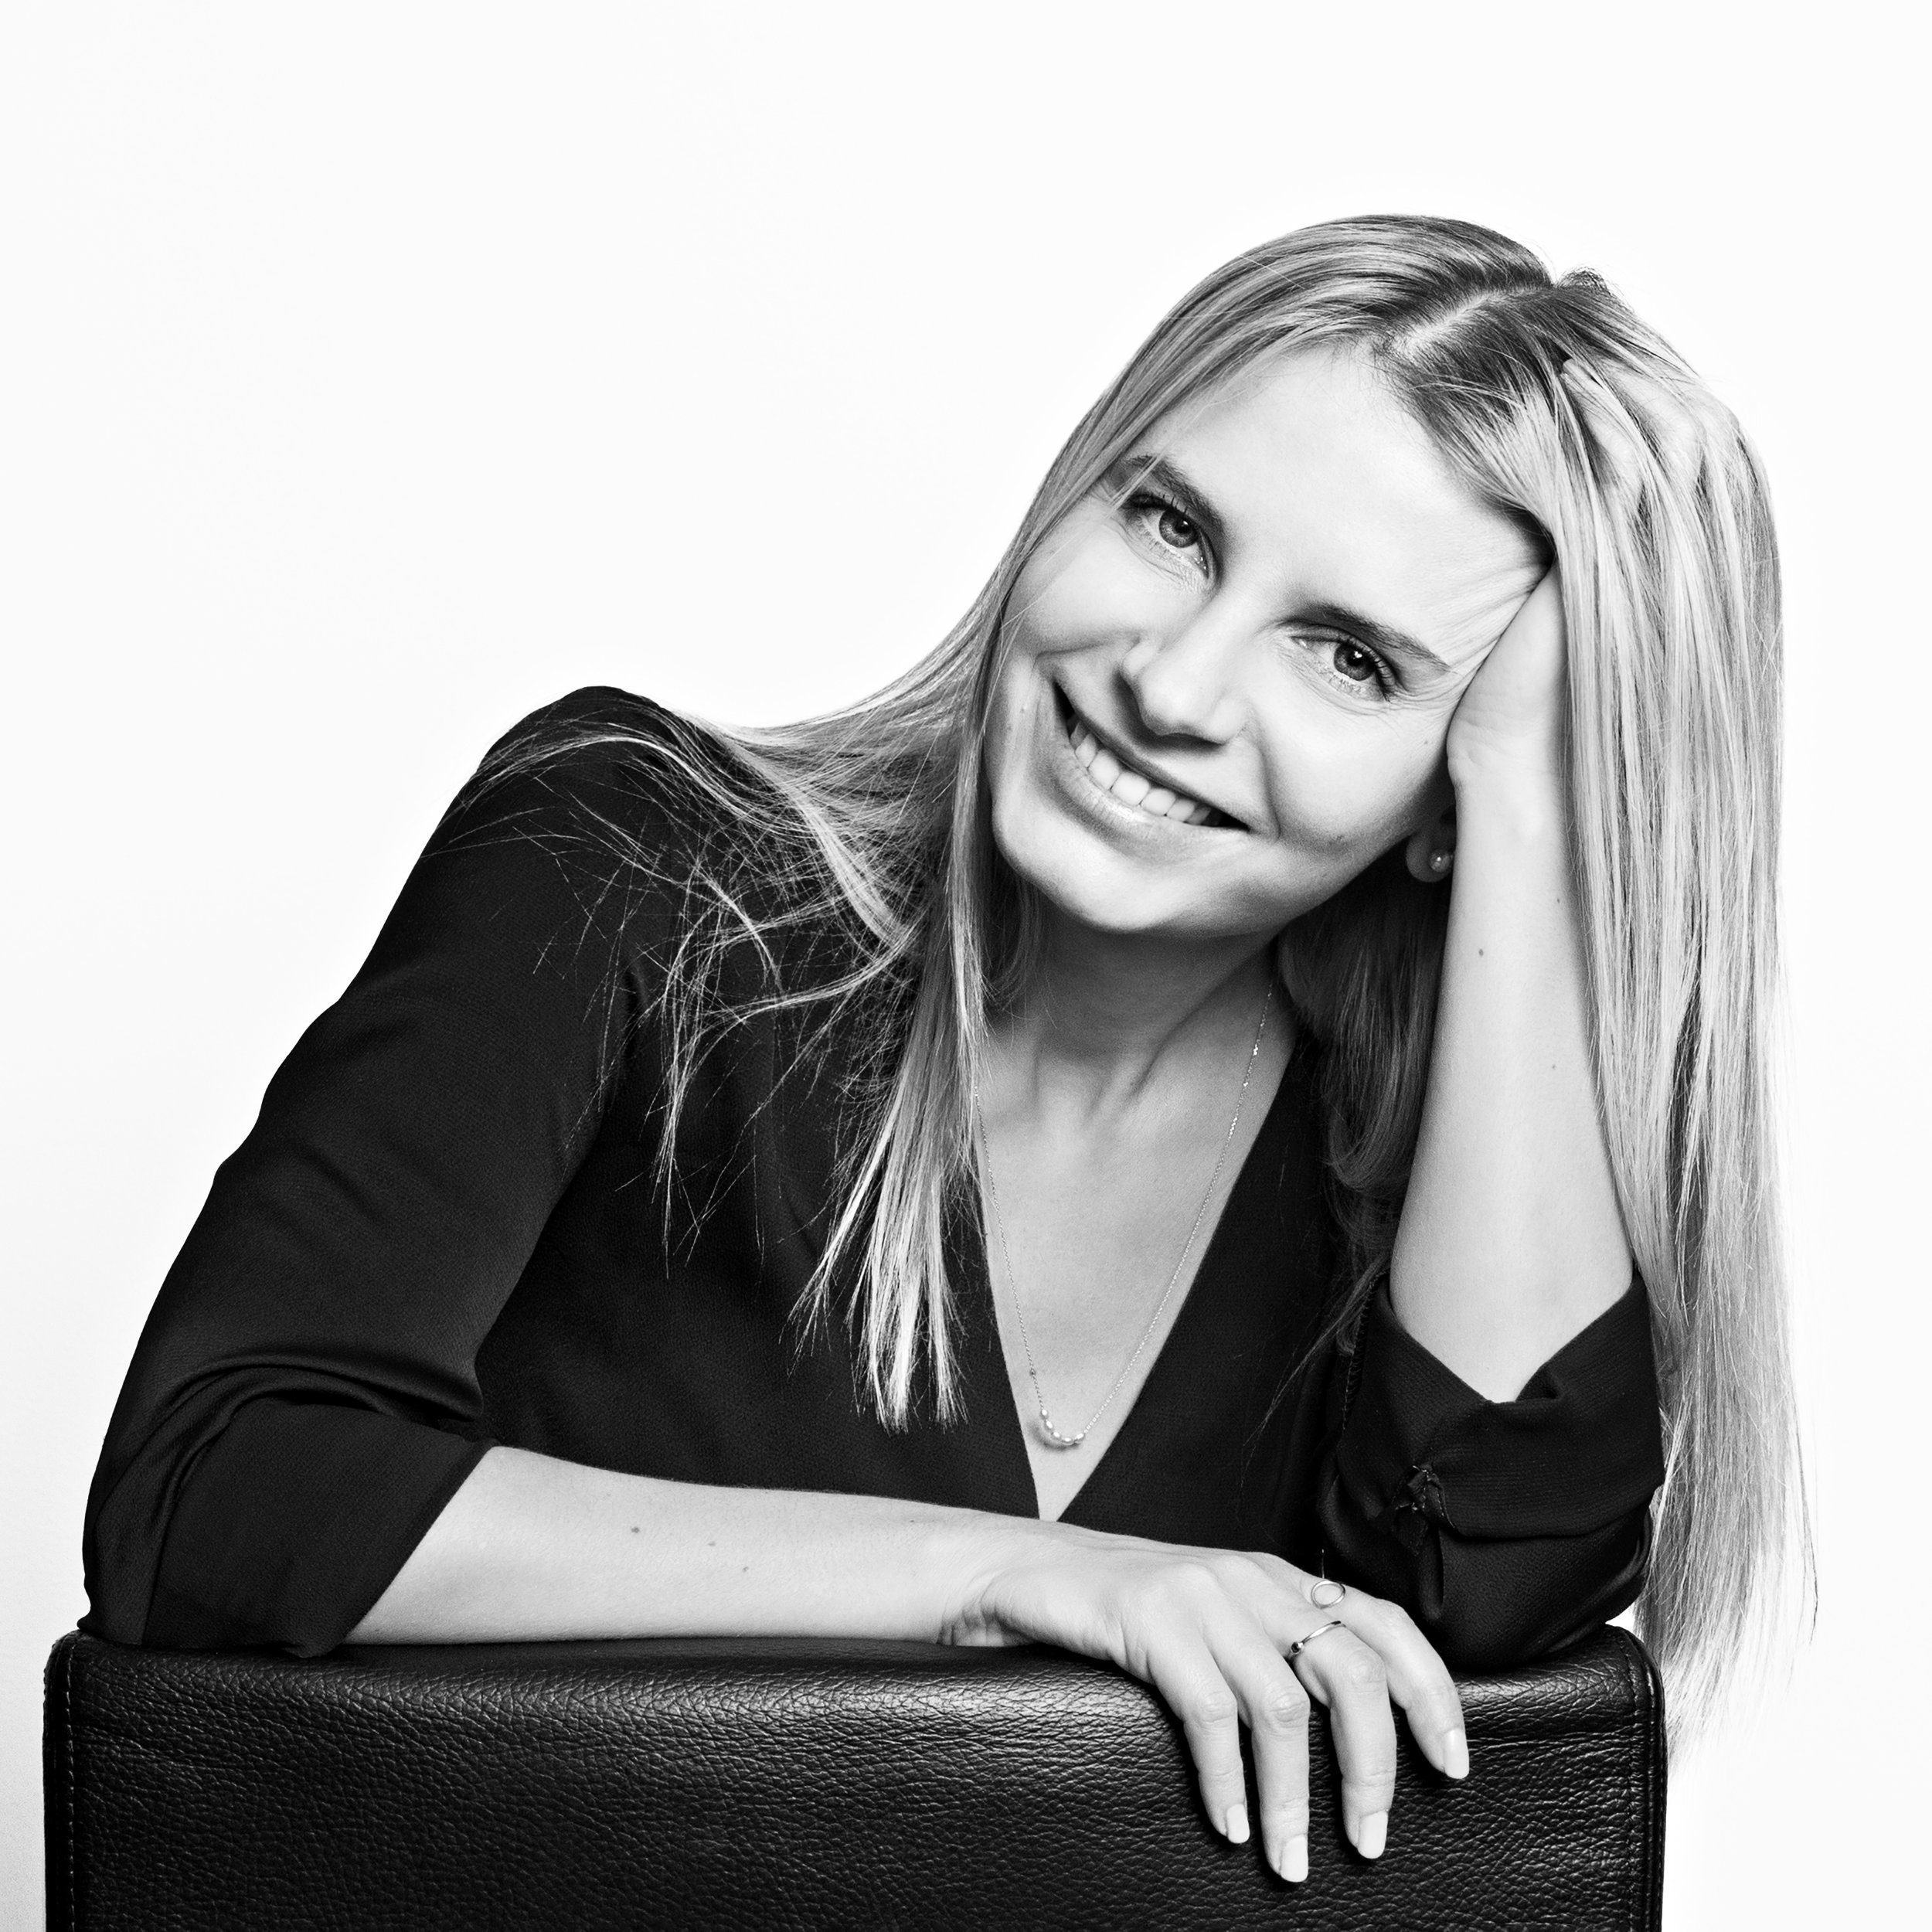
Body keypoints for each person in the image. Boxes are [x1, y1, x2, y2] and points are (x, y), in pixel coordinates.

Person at [81, 216, 1801, 1888]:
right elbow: (211, 1486)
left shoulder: (1396, 1189)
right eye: (1171, 524)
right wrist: (1014, 1582)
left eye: (1349, 658)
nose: (1175, 679)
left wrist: (1548, 800)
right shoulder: (624, 857)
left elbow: (1479, 1612)